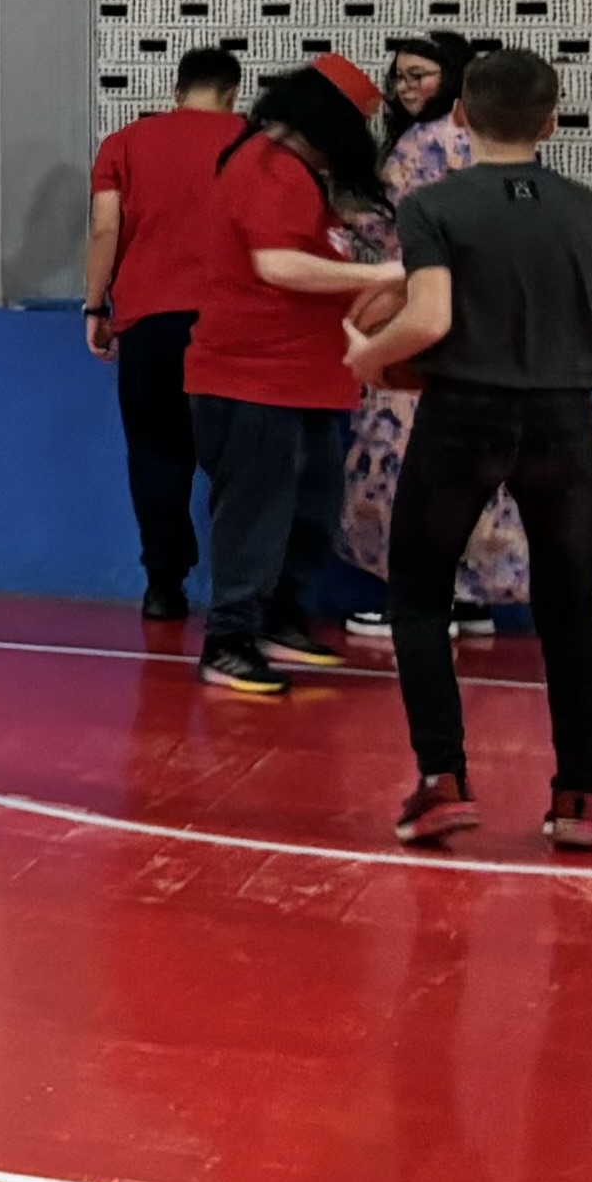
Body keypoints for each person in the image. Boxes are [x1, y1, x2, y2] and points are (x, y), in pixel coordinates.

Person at [346, 45, 592, 852]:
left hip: (463, 416)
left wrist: (369, 354)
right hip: (563, 422)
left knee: (418, 596)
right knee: (569, 610)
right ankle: (578, 796)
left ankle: (443, 781)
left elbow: (429, 317)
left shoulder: (436, 207)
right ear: (552, 123)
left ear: (463, 116)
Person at [181, 55, 394, 701]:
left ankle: (278, 618)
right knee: (255, 515)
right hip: (254, 377)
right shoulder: (267, 167)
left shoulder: (298, 176)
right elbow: (279, 265)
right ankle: (230, 640)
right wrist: (381, 275)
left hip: (306, 376)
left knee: (310, 510)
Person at [335, 29, 525, 647]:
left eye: (420, 74)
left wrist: (344, 208)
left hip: (421, 315)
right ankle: (467, 595)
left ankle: (418, 601)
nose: (405, 87)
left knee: (402, 458)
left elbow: (409, 241)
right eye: (399, 76)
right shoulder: (490, 144)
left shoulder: (423, 144)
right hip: (488, 326)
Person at [81, 45, 247, 623]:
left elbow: (106, 228)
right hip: (234, 323)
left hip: (150, 320)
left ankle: (163, 586)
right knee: (242, 461)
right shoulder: (258, 144)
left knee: (156, 454)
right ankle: (243, 590)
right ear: (233, 95)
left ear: (176, 93)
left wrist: (95, 306)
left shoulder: (125, 143)